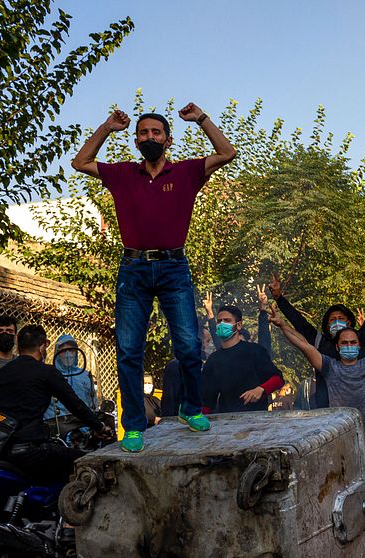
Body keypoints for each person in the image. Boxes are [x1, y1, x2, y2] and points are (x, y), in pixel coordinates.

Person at [72, 105, 236, 452]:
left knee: (189, 346)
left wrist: (202, 119)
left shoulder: (188, 172)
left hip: (174, 267)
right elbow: (80, 162)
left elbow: (227, 152)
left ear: (168, 139)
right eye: (143, 133)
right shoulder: (122, 174)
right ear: (135, 140)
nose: (150, 137)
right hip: (133, 269)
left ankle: (190, 408)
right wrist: (106, 127)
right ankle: (133, 425)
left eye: (156, 133)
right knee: (129, 350)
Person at [271, 304, 365, 554]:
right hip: (341, 436)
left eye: (353, 341)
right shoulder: (329, 366)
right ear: (337, 347)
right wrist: (283, 325)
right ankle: (343, 531)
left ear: (359, 345)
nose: (349, 345)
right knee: (341, 486)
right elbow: (304, 345)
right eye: (345, 342)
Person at [0, 325, 111, 484]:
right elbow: (75, 405)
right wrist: (99, 427)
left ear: (18, 345)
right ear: (43, 346)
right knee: (92, 464)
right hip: (32, 452)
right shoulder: (46, 372)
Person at [268, 264, 365, 409]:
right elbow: (299, 322)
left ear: (349, 322)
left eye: (341, 318)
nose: (337, 322)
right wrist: (279, 298)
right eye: (332, 319)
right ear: (327, 325)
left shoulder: (361, 338)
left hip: (362, 411)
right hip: (328, 411)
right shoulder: (319, 341)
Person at [202, 305, 284, 413]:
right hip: (226, 421)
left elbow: (278, 379)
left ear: (239, 325)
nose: (222, 324)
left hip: (257, 420)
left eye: (227, 320)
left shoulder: (255, 351)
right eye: (219, 321)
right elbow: (207, 402)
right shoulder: (213, 360)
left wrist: (261, 389)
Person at [44, 335, 98, 421]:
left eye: (71, 350)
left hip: (83, 426)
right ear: (57, 353)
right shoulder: (49, 375)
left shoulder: (85, 376)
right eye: (63, 351)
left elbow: (93, 403)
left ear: (76, 352)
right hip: (58, 427)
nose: (68, 354)